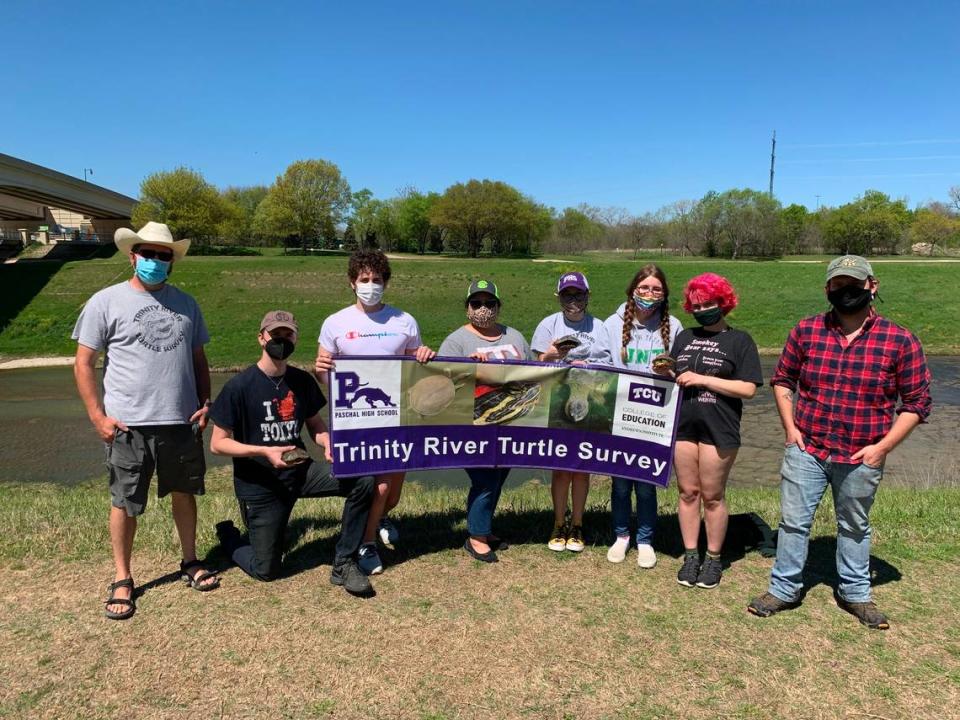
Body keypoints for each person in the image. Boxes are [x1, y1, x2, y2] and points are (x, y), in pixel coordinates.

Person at [748, 256, 931, 629]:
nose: (846, 290)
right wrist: (790, 429)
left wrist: (883, 448)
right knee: (794, 523)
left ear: (872, 286)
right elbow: (783, 380)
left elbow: (917, 403)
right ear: (827, 289)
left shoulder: (900, 340)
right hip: (808, 447)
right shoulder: (807, 330)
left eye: (854, 284)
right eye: (837, 284)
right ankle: (784, 589)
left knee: (854, 526)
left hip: (862, 453)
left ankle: (855, 593)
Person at [72, 221, 219, 621]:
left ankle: (190, 560)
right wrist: (97, 416)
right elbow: (84, 363)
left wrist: (206, 402)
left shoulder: (187, 304)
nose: (155, 260)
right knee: (125, 502)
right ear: (133, 255)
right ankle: (122, 578)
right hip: (127, 425)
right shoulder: (105, 301)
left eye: (163, 255)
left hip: (180, 421)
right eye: (148, 253)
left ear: (172, 261)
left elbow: (199, 361)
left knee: (184, 495)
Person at [210, 311, 375, 596]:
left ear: (296, 339)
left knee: (363, 480)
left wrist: (327, 442)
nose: (282, 341)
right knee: (267, 571)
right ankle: (230, 537)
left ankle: (344, 562)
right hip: (261, 484)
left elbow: (315, 423)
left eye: (288, 335)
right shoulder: (239, 386)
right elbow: (218, 443)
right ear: (262, 338)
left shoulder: (301, 381)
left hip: (301, 472)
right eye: (276, 335)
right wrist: (263, 451)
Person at [315, 249, 435, 575]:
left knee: (392, 492)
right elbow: (326, 376)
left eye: (377, 280)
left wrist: (422, 354)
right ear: (352, 283)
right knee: (377, 487)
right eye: (364, 279)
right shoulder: (335, 323)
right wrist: (320, 369)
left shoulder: (404, 320)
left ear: (386, 282)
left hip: (398, 417)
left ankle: (381, 517)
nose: (371, 285)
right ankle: (366, 543)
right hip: (356, 420)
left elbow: (415, 368)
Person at [666, 273, 762, 589]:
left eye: (708, 303)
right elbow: (678, 375)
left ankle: (714, 559)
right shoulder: (684, 337)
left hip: (719, 428)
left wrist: (703, 379)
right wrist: (666, 371)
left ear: (723, 303)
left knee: (713, 495)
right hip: (683, 426)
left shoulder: (740, 340)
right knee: (687, 492)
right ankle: (691, 556)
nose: (703, 309)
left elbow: (748, 388)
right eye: (696, 305)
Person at [438, 279, 532, 562]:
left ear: (498, 306)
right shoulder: (456, 341)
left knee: (500, 475)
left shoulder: (513, 336)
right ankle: (476, 537)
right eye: (476, 303)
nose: (483, 309)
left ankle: (484, 528)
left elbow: (531, 371)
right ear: (467, 308)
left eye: (489, 303)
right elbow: (444, 380)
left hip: (511, 420)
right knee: (485, 477)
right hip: (472, 422)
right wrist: (468, 365)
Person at [602, 264, 683, 569]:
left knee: (646, 481)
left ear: (664, 295)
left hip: (654, 416)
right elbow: (599, 361)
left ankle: (645, 540)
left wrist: (670, 371)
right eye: (644, 288)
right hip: (619, 414)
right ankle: (621, 535)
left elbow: (680, 368)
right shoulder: (612, 324)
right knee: (621, 480)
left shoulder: (673, 326)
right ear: (633, 290)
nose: (649, 294)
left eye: (656, 289)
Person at [531, 271, 612, 553]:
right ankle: (557, 523)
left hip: (590, 401)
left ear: (588, 296)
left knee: (582, 468)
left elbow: (609, 366)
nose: (573, 300)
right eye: (567, 295)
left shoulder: (600, 327)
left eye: (579, 294)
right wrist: (550, 356)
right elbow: (536, 365)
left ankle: (577, 524)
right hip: (558, 403)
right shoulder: (547, 324)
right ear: (559, 297)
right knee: (561, 468)